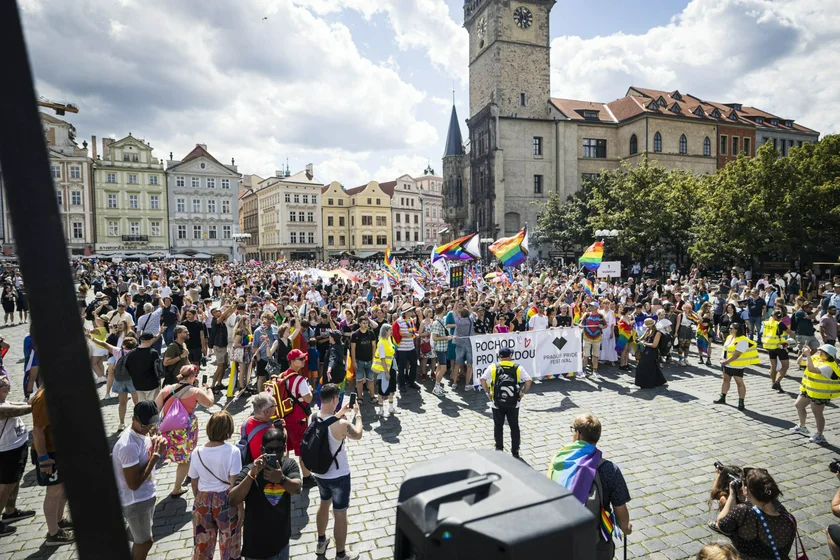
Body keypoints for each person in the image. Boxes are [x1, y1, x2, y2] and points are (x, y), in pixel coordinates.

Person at [547, 413, 632, 560]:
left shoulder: (559, 459)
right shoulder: (609, 469)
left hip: (563, 538)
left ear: (578, 434)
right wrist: (626, 528)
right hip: (597, 542)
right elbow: (620, 508)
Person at [229, 427, 302, 560]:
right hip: (257, 549)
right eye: (269, 450)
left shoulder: (288, 465)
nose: (275, 453)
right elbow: (233, 499)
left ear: (285, 448)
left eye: (279, 449)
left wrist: (281, 479)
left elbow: (297, 488)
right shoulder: (250, 469)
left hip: (281, 544)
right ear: (262, 450)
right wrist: (252, 475)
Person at [311, 383, 362, 560]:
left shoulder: (314, 416)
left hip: (319, 474)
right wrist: (358, 414)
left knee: (324, 503)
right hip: (338, 476)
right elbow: (358, 434)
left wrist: (340, 412)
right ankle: (341, 554)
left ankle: (321, 541)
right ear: (334, 399)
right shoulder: (341, 425)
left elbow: (328, 420)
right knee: (340, 513)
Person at [112, 401, 166, 560]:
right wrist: (155, 456)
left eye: (152, 424)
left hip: (145, 497)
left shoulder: (142, 433)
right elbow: (133, 484)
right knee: (145, 542)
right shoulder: (128, 446)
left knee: (140, 539)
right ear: (133, 419)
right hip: (136, 501)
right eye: (144, 425)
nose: (148, 428)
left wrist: (153, 443)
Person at [189, 411, 243, 560]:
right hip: (225, 500)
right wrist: (240, 509)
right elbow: (234, 484)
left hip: (202, 499)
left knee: (202, 547)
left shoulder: (197, 452)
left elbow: (194, 481)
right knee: (230, 545)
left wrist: (199, 498)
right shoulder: (233, 451)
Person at [156, 365, 216, 498]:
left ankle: (189, 474)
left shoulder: (166, 389)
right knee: (185, 460)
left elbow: (156, 409)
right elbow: (210, 403)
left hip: (168, 430)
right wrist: (208, 389)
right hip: (185, 431)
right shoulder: (195, 392)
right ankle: (177, 488)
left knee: (178, 456)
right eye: (195, 375)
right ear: (191, 376)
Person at [716, 468, 795, 559]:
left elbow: (720, 524)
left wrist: (732, 495)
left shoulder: (743, 511)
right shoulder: (790, 519)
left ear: (745, 490)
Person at [30, 385, 73, 545]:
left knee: (62, 489)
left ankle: (59, 520)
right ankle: (53, 533)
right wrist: (43, 459)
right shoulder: (44, 397)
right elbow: (37, 431)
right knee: (54, 492)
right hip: (50, 454)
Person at [266, 349, 314, 487]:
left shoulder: (281, 375)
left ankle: (282, 474)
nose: (304, 361)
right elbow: (308, 398)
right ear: (292, 362)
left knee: (285, 447)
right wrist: (309, 388)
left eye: (304, 358)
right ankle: (307, 477)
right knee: (302, 450)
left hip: (285, 417)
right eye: (300, 359)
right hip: (299, 419)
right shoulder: (299, 380)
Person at [479, 347, 532, 459]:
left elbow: (482, 379)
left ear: (500, 357)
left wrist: (488, 393)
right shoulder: (517, 367)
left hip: (497, 402)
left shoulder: (493, 367)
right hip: (514, 403)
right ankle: (515, 451)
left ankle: (499, 450)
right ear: (510, 356)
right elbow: (528, 381)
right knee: (514, 426)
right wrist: (522, 393)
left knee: (498, 426)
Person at [0, 375, 34, 537]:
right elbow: (23, 409)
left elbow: (17, 404)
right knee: (6, 486)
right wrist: (39, 400)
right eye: (3, 384)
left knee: (14, 482)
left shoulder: (4, 402)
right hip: (7, 451)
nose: (7, 384)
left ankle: (10, 512)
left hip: (16, 447)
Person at [791, 344, 840, 444]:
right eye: (819, 350)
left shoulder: (829, 367)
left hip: (819, 394)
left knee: (817, 414)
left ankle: (819, 435)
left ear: (829, 355)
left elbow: (811, 369)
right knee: (798, 405)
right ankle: (802, 426)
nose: (819, 352)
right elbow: (799, 362)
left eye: (823, 352)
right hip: (808, 389)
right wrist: (804, 353)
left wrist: (808, 355)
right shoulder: (817, 358)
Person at [714, 323, 758, 411]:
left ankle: (741, 402)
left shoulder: (742, 340)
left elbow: (737, 355)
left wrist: (725, 361)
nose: (729, 330)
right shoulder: (730, 337)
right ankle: (723, 397)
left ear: (737, 330)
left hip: (737, 365)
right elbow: (726, 349)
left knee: (739, 382)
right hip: (727, 364)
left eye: (731, 328)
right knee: (725, 380)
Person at [125, 329, 166, 402]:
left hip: (138, 384)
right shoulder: (153, 353)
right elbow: (158, 369)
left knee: (142, 406)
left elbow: (127, 367)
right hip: (151, 384)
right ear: (150, 340)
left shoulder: (131, 353)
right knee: (152, 406)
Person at [762, 309, 794, 393]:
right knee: (785, 366)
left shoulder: (766, 323)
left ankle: (773, 383)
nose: (780, 319)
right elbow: (789, 332)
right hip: (779, 346)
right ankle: (777, 382)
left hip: (769, 346)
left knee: (773, 366)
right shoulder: (779, 324)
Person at [634, 318, 667, 389]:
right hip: (647, 350)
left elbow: (654, 345)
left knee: (641, 367)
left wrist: (643, 343)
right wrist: (638, 339)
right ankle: (660, 381)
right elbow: (643, 337)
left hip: (652, 352)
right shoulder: (648, 330)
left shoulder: (658, 333)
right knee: (653, 367)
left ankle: (639, 384)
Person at [392, 304, 419, 391]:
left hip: (411, 347)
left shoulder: (411, 320)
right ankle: (401, 384)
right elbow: (395, 333)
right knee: (401, 367)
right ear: (406, 312)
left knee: (414, 365)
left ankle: (411, 382)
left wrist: (414, 334)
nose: (412, 312)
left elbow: (413, 331)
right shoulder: (398, 321)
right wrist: (405, 335)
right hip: (402, 348)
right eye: (411, 311)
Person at [350, 316, 376, 404]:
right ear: (360, 324)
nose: (365, 325)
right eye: (363, 323)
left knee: (371, 379)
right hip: (359, 361)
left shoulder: (371, 333)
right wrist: (353, 361)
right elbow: (353, 348)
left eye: (366, 323)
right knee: (359, 380)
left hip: (369, 361)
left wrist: (374, 359)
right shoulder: (355, 334)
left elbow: (373, 346)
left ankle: (372, 396)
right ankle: (360, 397)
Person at [373, 324, 398, 417]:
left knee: (391, 389)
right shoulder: (381, 342)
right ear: (385, 331)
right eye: (390, 330)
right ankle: (381, 410)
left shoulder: (389, 340)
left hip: (391, 367)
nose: (391, 331)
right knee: (382, 390)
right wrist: (386, 373)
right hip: (383, 370)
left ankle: (391, 408)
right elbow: (382, 358)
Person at [580, 302, 607, 380]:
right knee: (585, 355)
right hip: (587, 338)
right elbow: (581, 323)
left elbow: (605, 325)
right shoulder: (586, 315)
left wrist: (602, 326)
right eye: (590, 305)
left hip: (597, 338)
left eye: (591, 306)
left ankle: (595, 371)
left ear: (596, 307)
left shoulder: (601, 316)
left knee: (595, 355)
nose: (590, 307)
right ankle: (584, 371)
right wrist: (581, 325)